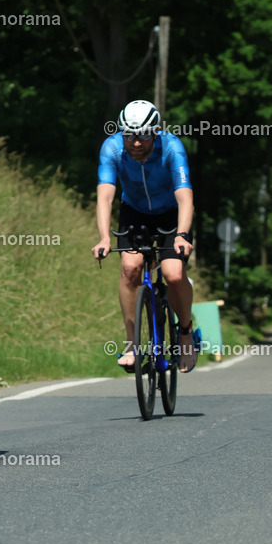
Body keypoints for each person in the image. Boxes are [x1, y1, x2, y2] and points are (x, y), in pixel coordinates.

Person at [91, 99, 199, 372]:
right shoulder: (112, 148)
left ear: (156, 132)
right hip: (135, 212)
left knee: (174, 274)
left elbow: (186, 198)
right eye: (130, 136)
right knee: (130, 268)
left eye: (144, 136)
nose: (136, 143)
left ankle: (185, 332)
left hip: (170, 214)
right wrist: (104, 238)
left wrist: (183, 235)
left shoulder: (172, 147)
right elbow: (105, 198)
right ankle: (132, 343)